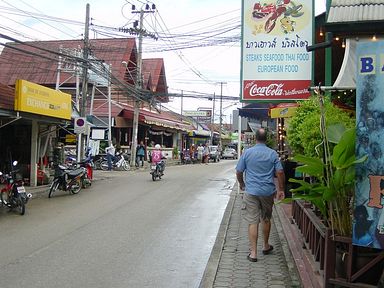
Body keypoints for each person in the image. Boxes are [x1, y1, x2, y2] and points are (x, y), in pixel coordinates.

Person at [235, 128, 285, 262]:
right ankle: (265, 245)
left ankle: (253, 253)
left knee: (253, 221)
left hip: (251, 191)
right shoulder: (272, 153)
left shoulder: (247, 153)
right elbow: (280, 172)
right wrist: (281, 189)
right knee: (266, 219)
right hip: (267, 192)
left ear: (256, 138)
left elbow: (239, 171)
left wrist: (242, 184)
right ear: (266, 138)